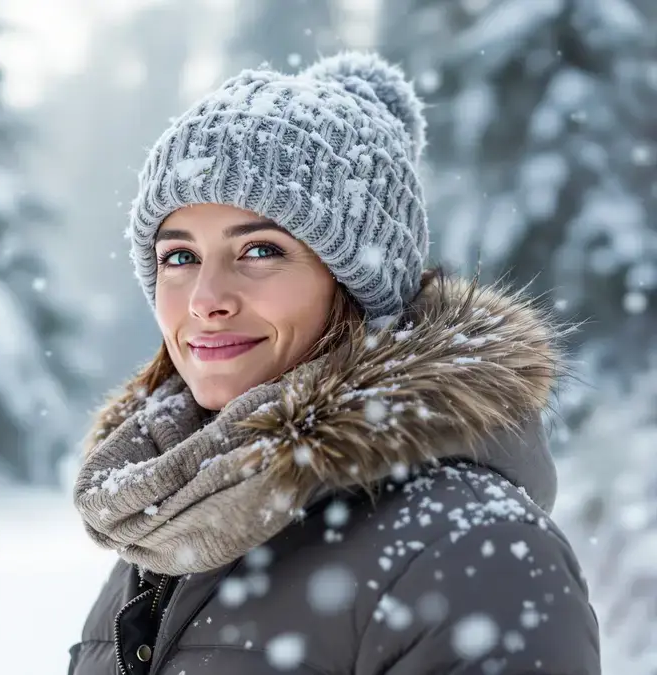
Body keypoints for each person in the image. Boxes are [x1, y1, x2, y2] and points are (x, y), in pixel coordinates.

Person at [67, 51, 600, 675]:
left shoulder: (470, 548)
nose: (205, 299)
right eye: (179, 257)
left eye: (260, 250)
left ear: (358, 285)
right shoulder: (165, 526)